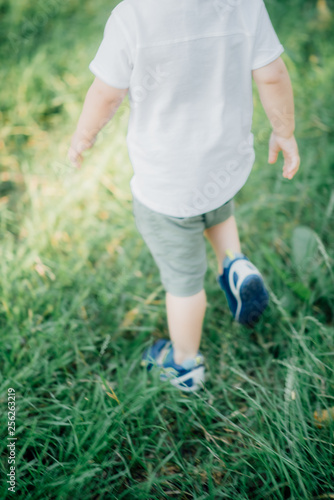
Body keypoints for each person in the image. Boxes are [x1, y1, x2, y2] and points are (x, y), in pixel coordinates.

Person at [68, 0, 300, 393]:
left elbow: (107, 93)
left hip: (167, 181)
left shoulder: (133, 16)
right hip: (222, 162)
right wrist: (285, 131)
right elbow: (273, 74)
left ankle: (185, 364)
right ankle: (235, 265)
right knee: (216, 211)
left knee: (184, 282)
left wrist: (83, 136)